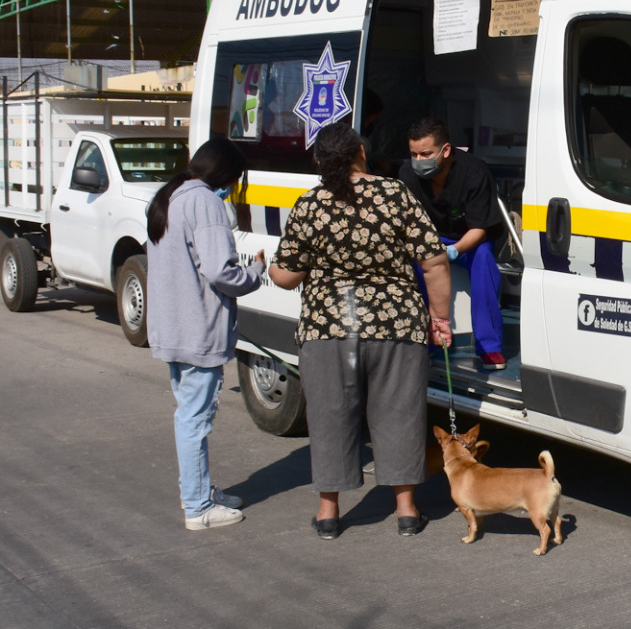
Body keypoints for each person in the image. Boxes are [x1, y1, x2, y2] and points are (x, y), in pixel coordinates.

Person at [268, 122, 453, 540]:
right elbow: (435, 263)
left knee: (330, 416)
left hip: (328, 326)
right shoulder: (396, 194)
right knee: (400, 413)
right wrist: (439, 319)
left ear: (319, 161)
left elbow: (287, 276)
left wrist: (271, 266)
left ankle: (329, 513)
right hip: (396, 324)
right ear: (362, 154)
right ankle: (406, 510)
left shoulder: (311, 204)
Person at [146, 138, 266, 530]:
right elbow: (220, 271)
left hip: (172, 325)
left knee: (189, 414)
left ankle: (195, 492)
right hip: (197, 328)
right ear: (227, 175)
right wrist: (255, 272)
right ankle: (198, 508)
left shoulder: (170, 195)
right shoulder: (206, 203)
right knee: (195, 420)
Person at [399, 119, 507, 370]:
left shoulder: (475, 172)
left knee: (484, 261)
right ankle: (423, 342)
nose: (419, 160)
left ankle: (489, 346)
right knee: (413, 267)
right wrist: (429, 251)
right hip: (429, 239)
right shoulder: (407, 174)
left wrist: (453, 251)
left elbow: (480, 228)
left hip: (468, 239)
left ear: (445, 150)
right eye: (413, 154)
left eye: (425, 154)